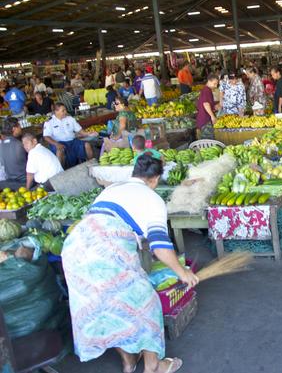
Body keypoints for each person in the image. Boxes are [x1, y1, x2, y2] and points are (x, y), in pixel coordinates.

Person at [61, 155, 197, 373]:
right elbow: (160, 245)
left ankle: (129, 361)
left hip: (74, 249)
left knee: (104, 308)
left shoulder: (113, 188)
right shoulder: (153, 200)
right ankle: (154, 367)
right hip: (107, 252)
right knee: (147, 303)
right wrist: (182, 272)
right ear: (155, 179)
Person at [43, 103, 96, 167]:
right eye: (63, 110)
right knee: (60, 150)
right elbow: (46, 137)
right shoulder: (49, 122)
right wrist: (56, 144)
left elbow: (80, 131)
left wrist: (88, 133)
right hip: (59, 142)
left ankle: (93, 165)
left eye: (65, 110)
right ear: (56, 111)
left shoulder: (70, 119)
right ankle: (61, 172)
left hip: (73, 141)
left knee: (87, 145)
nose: (65, 112)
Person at [0, 118, 27, 190]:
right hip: (24, 181)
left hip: (10, 182)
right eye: (19, 126)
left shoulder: (1, 144)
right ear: (14, 128)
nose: (21, 128)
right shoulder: (20, 144)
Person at [196, 74, 219, 139]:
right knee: (208, 140)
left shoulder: (207, 90)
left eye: (217, 84)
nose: (216, 86)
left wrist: (215, 106)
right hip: (205, 120)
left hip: (204, 119)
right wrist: (212, 116)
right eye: (214, 83)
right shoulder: (207, 90)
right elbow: (206, 104)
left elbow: (209, 103)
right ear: (209, 81)